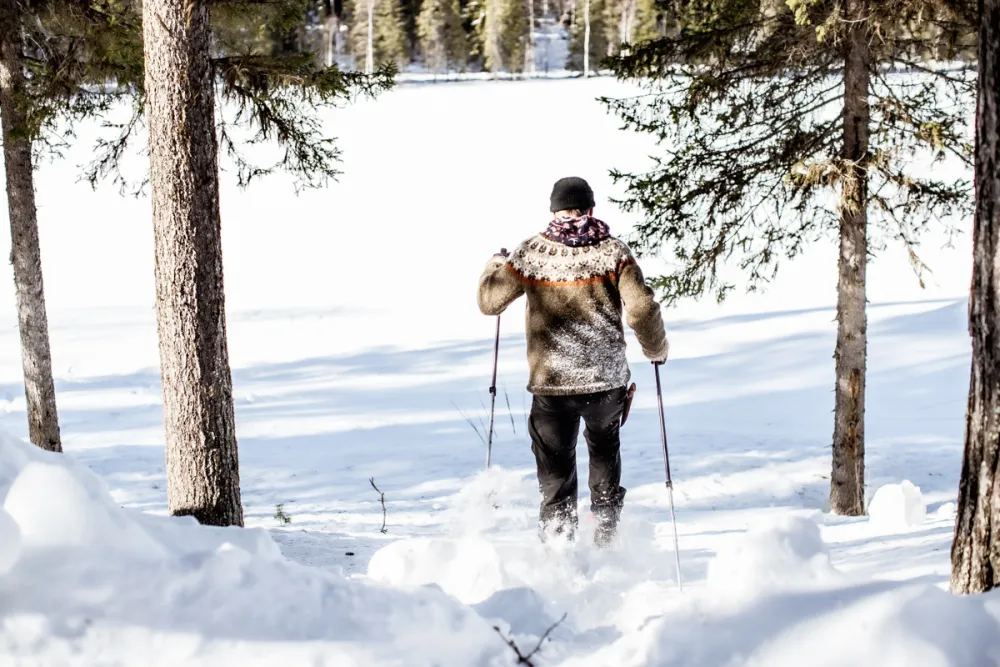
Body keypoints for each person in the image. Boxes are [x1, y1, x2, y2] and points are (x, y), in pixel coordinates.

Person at [477, 176, 668, 546]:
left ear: (554, 211)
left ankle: (559, 549)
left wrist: (493, 266)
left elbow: (489, 302)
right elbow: (642, 309)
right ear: (591, 208)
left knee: (556, 477)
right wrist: (655, 349)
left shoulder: (531, 253)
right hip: (605, 384)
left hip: (552, 385)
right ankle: (605, 538)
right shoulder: (614, 252)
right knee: (604, 451)